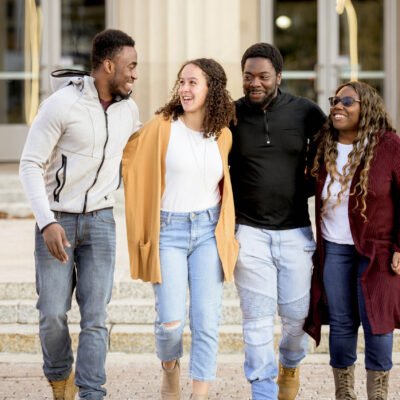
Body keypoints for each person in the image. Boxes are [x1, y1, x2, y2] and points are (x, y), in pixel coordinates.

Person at [19, 29, 141, 400]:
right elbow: (29, 164)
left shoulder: (129, 109)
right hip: (58, 220)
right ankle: (60, 380)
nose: (135, 74)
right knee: (53, 313)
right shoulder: (61, 105)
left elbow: (141, 155)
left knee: (96, 318)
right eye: (130, 66)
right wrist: (47, 221)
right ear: (108, 65)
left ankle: (92, 392)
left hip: (102, 222)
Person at [122, 58, 238, 400]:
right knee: (170, 320)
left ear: (211, 89)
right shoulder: (162, 126)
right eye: (182, 82)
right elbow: (128, 157)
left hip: (208, 231)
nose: (185, 89)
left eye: (193, 83)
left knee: (206, 322)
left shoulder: (223, 135)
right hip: (168, 231)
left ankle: (199, 395)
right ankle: (170, 367)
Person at [229, 42, 326, 400]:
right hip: (249, 232)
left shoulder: (305, 112)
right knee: (255, 321)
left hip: (295, 232)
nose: (255, 83)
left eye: (263, 76)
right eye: (249, 76)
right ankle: (264, 391)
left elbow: (331, 152)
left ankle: (289, 363)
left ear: (278, 77)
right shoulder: (231, 114)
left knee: (297, 319)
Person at [304, 81, 400, 400]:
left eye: (348, 100)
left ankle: (378, 394)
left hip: (379, 251)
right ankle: (344, 393)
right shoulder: (323, 144)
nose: (338, 106)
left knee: (378, 323)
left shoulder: (388, 145)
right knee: (343, 323)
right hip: (335, 248)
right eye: (335, 100)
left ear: (367, 108)